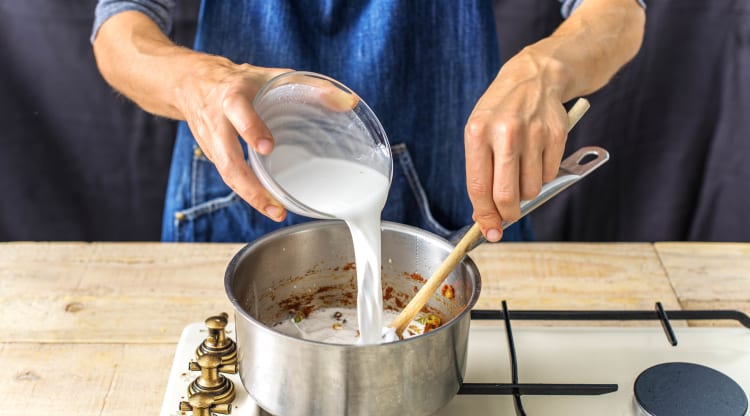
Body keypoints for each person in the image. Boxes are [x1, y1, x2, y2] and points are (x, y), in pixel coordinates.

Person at [91, 0, 645, 243]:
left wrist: (544, 70)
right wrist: (195, 82)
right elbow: (119, 30)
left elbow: (615, 10)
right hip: (240, 203)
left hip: (450, 206)